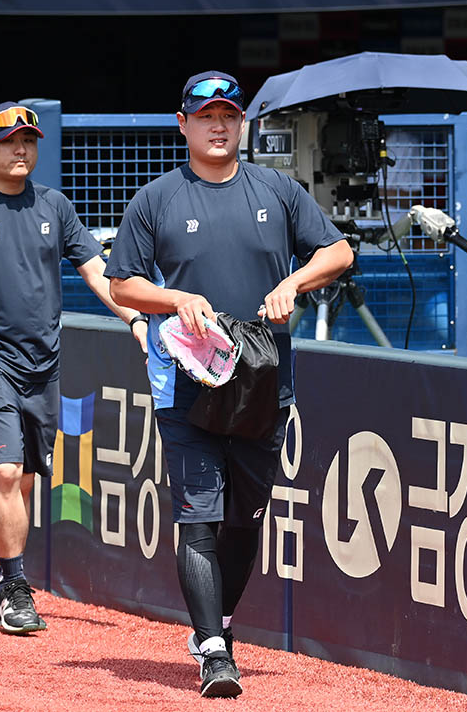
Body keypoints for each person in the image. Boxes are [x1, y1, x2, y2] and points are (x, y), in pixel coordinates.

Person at [104, 72, 353, 698]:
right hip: (187, 385)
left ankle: (219, 624)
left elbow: (340, 252)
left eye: (229, 114)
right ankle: (215, 651)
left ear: (242, 123)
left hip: (265, 382)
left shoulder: (277, 190)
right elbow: (122, 285)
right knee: (198, 517)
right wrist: (178, 298)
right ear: (182, 123)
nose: (219, 124)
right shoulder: (157, 199)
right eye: (206, 114)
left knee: (245, 523)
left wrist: (294, 283)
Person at [0, 101, 146, 635]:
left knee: (22, 481)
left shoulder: (55, 205)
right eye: (7, 141)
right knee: (2, 471)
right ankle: (18, 585)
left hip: (43, 364)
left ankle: (1, 582)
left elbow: (96, 271)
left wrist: (135, 320)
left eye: (29, 140)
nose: (20, 149)